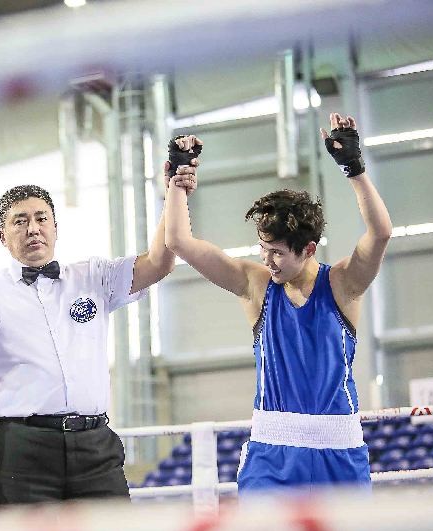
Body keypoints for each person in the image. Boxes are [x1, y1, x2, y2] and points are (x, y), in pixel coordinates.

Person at [164, 113, 392, 491]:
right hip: (272, 452)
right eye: (263, 248)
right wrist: (177, 180)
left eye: (278, 253)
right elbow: (179, 242)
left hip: (339, 451)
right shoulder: (256, 286)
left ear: (309, 249)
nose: (267, 261)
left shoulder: (342, 284)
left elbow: (381, 233)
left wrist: (353, 168)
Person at [0, 184, 181, 507]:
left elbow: (161, 263)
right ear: (2, 236)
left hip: (96, 446)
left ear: (55, 227)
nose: (33, 229)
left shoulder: (94, 276)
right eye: (20, 221)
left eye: (41, 218)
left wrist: (175, 191)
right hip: (23, 449)